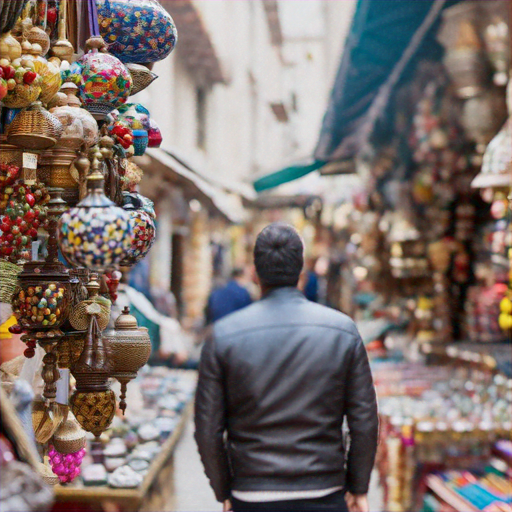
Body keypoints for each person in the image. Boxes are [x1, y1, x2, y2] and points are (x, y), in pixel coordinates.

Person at [195, 222, 378, 512]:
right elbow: (364, 420)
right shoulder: (343, 331)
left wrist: (225, 491)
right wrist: (358, 487)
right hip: (325, 492)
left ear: (255, 274)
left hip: (252, 495)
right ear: (301, 274)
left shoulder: (223, 335)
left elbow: (208, 428)